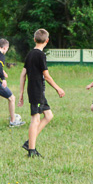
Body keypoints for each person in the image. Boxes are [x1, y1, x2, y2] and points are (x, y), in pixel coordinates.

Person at [19, 29, 65, 157]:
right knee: (35, 119)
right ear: (47, 41)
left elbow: (23, 74)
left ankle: (30, 142)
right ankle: (31, 151)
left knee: (49, 116)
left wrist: (21, 93)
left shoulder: (30, 54)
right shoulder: (40, 55)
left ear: (34, 39)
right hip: (37, 90)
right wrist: (58, 88)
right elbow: (47, 75)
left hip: (35, 90)